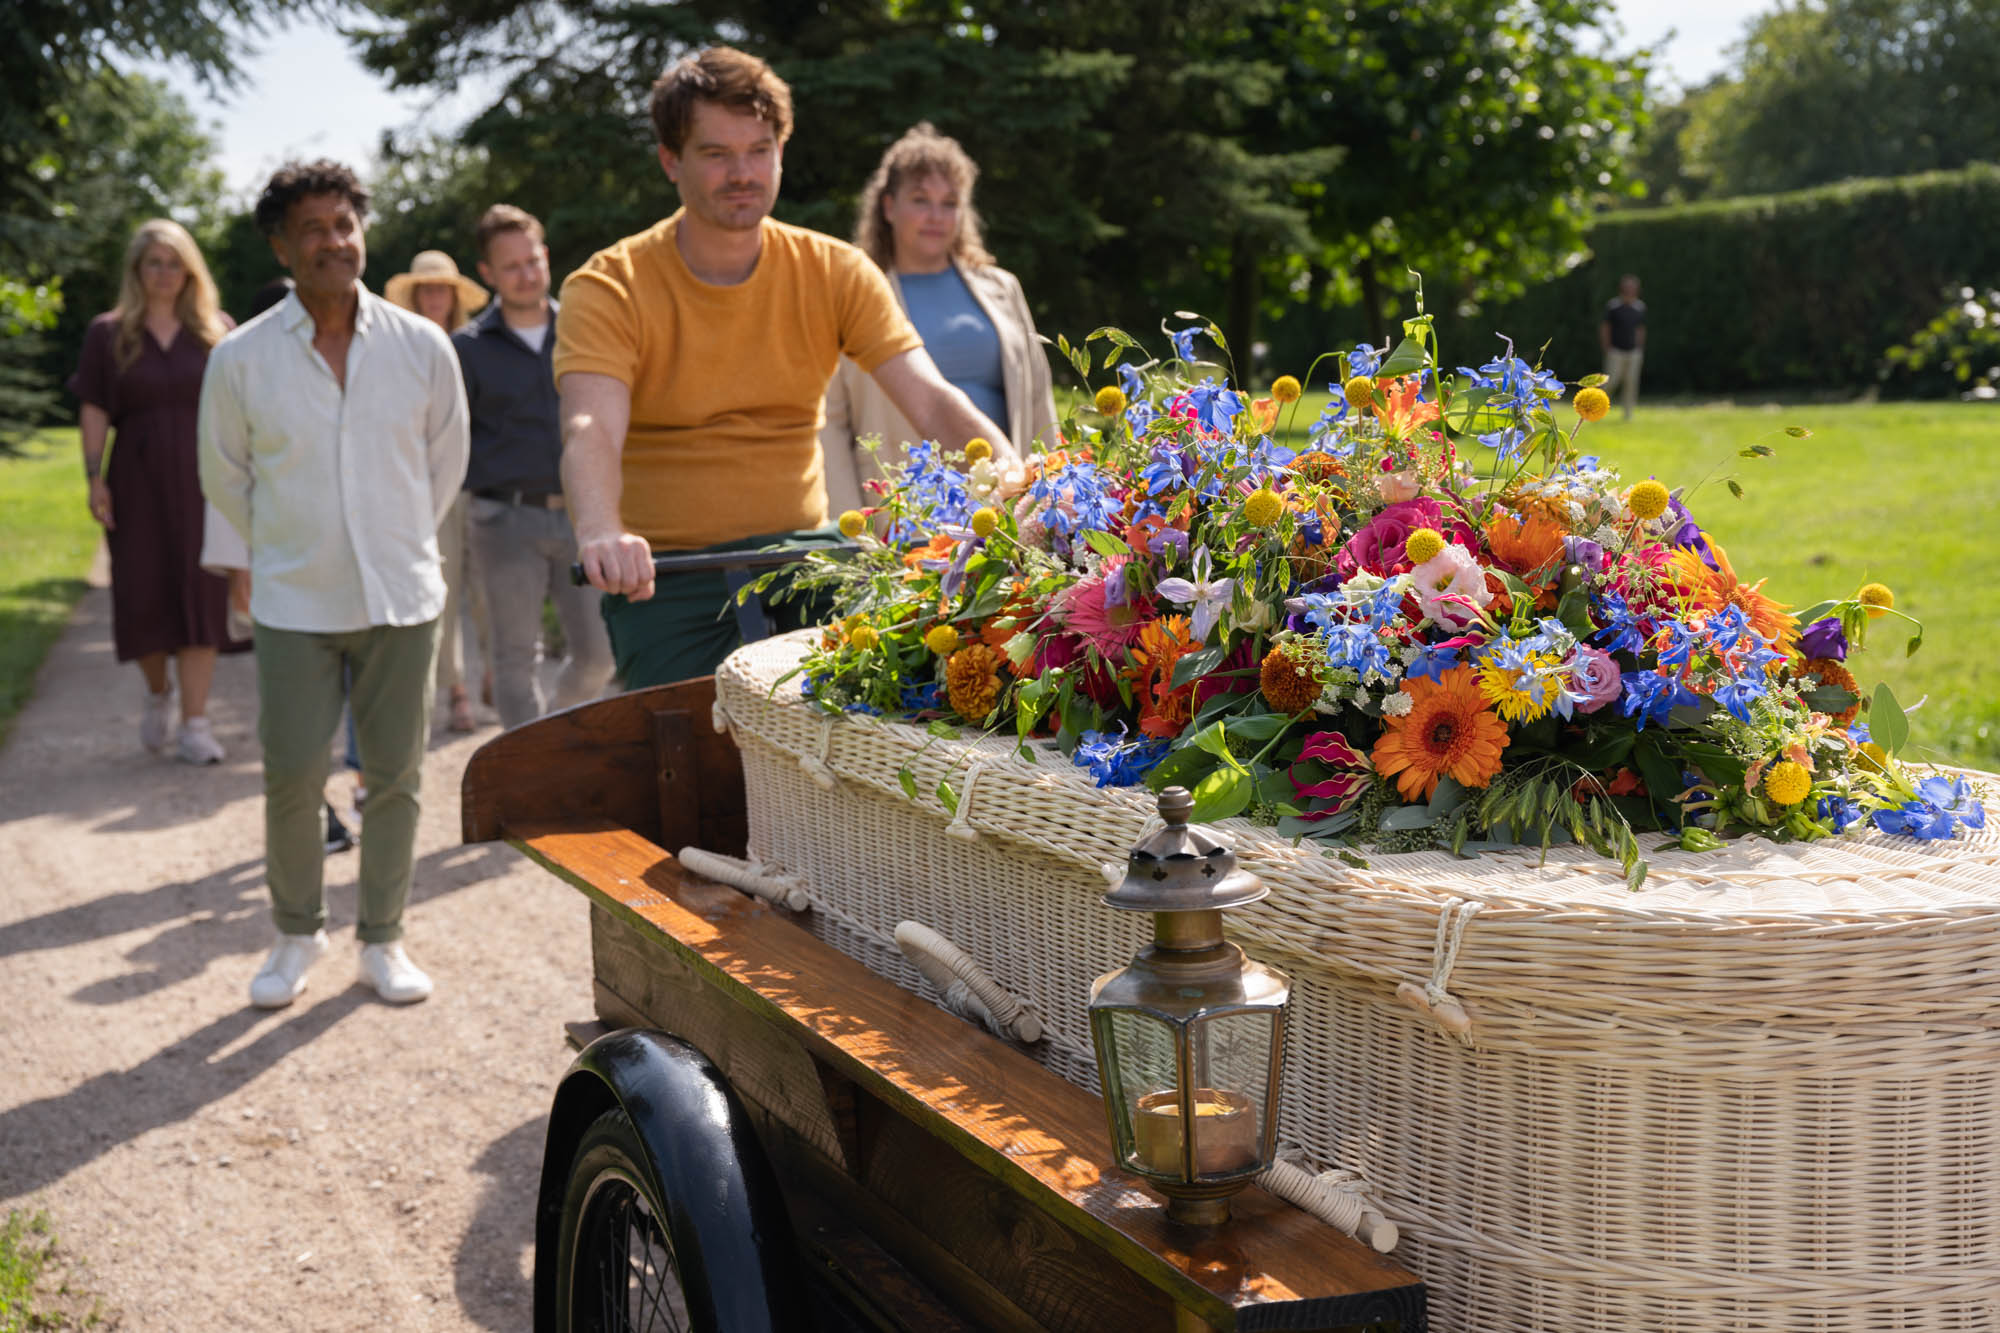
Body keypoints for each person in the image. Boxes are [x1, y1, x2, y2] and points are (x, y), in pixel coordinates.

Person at [557, 45, 1018, 689]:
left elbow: (933, 399)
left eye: (759, 150)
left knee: (876, 724)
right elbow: (590, 427)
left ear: (781, 151)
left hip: (809, 559)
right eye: (715, 154)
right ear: (671, 161)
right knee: (681, 760)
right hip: (666, 576)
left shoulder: (834, 270)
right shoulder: (610, 285)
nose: (741, 172)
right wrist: (603, 532)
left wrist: (1019, 484)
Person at [198, 159, 469, 1009]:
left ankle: (382, 939)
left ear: (362, 232)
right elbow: (224, 475)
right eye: (311, 228)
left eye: (343, 224)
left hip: (402, 594)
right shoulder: (241, 358)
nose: (332, 241)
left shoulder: (422, 346)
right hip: (293, 600)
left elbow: (444, 461)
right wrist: (272, 555)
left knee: (395, 776)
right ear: (281, 244)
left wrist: (394, 538)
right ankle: (294, 932)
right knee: (290, 774)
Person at [69, 219, 244, 764]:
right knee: (143, 594)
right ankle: (157, 693)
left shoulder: (217, 331)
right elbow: (95, 406)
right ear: (137, 272)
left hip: (204, 481)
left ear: (190, 271)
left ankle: (195, 723)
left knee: (201, 591)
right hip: (137, 479)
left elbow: (239, 412)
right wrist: (94, 476)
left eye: (175, 263)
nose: (165, 274)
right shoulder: (108, 333)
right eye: (154, 263)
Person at [820, 122, 1057, 515]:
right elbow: (831, 421)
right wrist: (851, 532)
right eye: (920, 199)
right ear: (888, 207)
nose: (936, 215)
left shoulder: (1003, 288)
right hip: (903, 516)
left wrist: (1051, 505)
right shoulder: (853, 292)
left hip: (1006, 511)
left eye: (950, 203)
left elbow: (1038, 403)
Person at [452, 205, 615, 728]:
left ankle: (552, 735)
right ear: (487, 275)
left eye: (533, 260)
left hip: (582, 516)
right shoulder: (467, 349)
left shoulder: (582, 330)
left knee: (600, 656)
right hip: (503, 521)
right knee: (514, 660)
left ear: (546, 258)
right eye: (511, 266)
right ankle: (529, 775)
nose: (526, 274)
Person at [386, 249, 493, 733]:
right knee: (445, 592)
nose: (434, 297)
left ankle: (495, 671)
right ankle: (457, 690)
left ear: (454, 296)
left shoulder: (477, 344)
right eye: (426, 289)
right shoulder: (402, 351)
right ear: (414, 295)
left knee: (488, 589)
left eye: (442, 289)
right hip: (431, 486)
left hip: (487, 485)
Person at [1600, 273, 1646, 422]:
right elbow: (1605, 327)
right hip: (1616, 351)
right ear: (1622, 288)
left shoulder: (1639, 307)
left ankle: (1628, 414)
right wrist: (1607, 347)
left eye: (1633, 287)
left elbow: (1640, 329)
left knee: (1631, 384)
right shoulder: (1613, 306)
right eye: (1628, 287)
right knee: (1610, 382)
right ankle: (1595, 408)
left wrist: (1640, 347)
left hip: (1633, 352)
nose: (1630, 290)